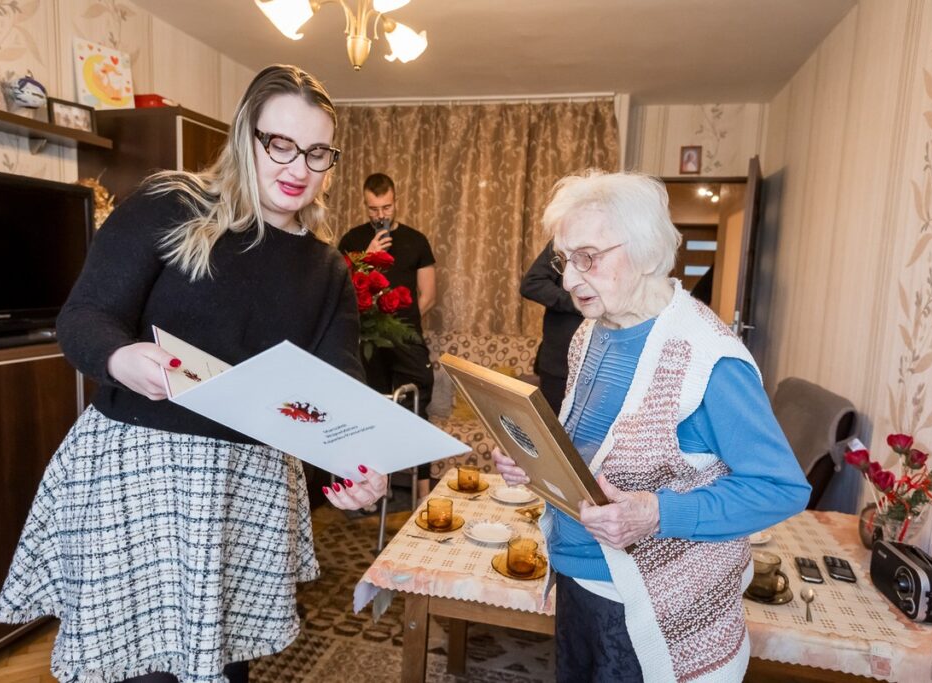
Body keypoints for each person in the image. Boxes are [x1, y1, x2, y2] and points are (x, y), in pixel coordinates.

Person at [0, 65, 388, 683]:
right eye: (279, 144)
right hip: (139, 473)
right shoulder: (170, 205)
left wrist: (356, 462)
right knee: (135, 669)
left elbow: (336, 389)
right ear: (244, 136)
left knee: (226, 665)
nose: (298, 168)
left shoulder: (325, 269)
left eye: (316, 152)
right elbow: (86, 316)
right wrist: (120, 357)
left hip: (249, 486)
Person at [493, 171, 810, 682]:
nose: (569, 280)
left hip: (655, 610)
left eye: (587, 257)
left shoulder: (709, 359)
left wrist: (657, 514)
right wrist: (531, 457)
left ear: (644, 252)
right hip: (578, 577)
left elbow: (781, 489)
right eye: (564, 259)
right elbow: (591, 448)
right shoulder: (591, 332)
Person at [339, 173, 436, 495]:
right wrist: (366, 256)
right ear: (364, 204)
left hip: (406, 339)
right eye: (373, 208)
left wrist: (401, 324)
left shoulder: (416, 240)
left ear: (396, 201)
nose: (380, 214)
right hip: (368, 342)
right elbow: (342, 292)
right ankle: (375, 491)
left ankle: (423, 493)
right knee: (372, 414)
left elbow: (428, 296)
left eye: (386, 207)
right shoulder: (352, 239)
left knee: (417, 411)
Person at [520, 239, 583, 413]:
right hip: (559, 363)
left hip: (604, 365)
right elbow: (532, 283)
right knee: (553, 426)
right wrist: (578, 302)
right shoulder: (566, 237)